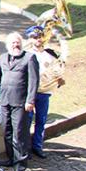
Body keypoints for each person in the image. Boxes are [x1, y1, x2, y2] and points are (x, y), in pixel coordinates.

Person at [0, 32, 39, 171]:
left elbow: (33, 81)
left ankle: (20, 163)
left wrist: (30, 100)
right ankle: (10, 158)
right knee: (6, 131)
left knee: (19, 133)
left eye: (18, 42)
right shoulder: (2, 58)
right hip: (4, 101)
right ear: (8, 45)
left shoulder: (29, 58)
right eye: (13, 42)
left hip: (21, 102)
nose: (16, 45)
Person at [25, 25, 63, 159]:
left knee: (41, 120)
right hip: (29, 92)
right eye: (34, 37)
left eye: (40, 37)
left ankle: (37, 146)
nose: (37, 40)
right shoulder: (26, 54)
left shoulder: (50, 55)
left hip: (44, 92)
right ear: (30, 39)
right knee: (27, 120)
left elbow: (56, 71)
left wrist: (59, 78)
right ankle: (25, 147)